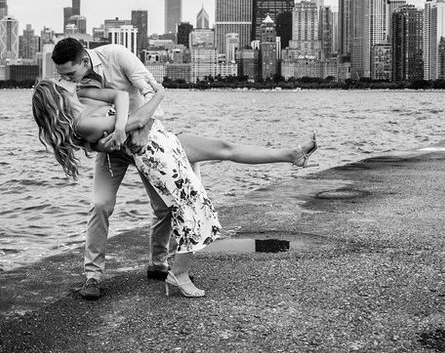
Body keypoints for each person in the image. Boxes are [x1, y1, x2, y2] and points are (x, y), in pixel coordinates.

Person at [31, 77, 317, 298]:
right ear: (57, 97)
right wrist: (159, 94)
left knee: (223, 148)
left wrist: (119, 125)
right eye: (61, 82)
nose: (67, 81)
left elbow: (120, 99)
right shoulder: (82, 123)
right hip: (153, 151)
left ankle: (292, 155)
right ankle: (178, 274)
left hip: (162, 137)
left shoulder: (82, 98)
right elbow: (137, 120)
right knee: (191, 206)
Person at [50, 37, 174, 300]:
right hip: (110, 150)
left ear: (85, 60)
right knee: (100, 204)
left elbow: (152, 92)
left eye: (71, 73)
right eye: (63, 76)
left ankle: (159, 263)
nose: (69, 81)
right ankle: (92, 275)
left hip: (142, 139)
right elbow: (83, 127)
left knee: (163, 204)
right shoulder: (78, 86)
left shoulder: (117, 55)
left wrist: (144, 128)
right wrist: (97, 146)